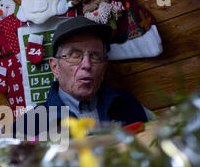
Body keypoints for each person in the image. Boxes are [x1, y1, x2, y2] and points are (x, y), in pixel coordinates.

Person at [13, 16, 154, 139]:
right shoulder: (29, 125)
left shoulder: (127, 103)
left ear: (104, 68)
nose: (87, 64)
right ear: (55, 67)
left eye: (96, 56)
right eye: (74, 55)